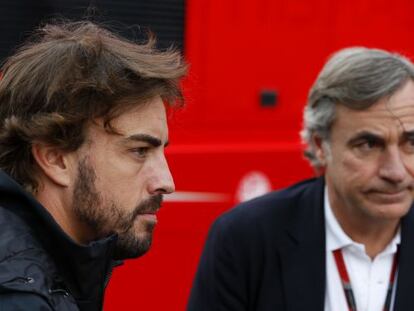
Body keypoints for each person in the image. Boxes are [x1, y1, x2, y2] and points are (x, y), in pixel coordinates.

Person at [187, 47, 414, 311]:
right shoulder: (246, 238)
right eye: (367, 145)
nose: (395, 172)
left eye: (411, 142)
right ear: (321, 145)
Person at [0, 21, 186, 310]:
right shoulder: (20, 296)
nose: (166, 182)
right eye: (139, 151)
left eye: (161, 151)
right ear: (56, 158)